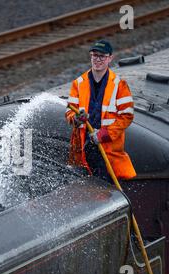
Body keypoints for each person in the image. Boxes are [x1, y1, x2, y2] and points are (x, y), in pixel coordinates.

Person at [65, 39, 136, 181]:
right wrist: (76, 118)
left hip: (107, 150)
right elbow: (69, 112)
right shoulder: (78, 84)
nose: (97, 60)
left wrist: (103, 134)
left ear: (110, 58)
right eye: (94, 55)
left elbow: (126, 116)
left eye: (102, 56)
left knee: (106, 189)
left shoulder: (119, 85)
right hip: (83, 149)